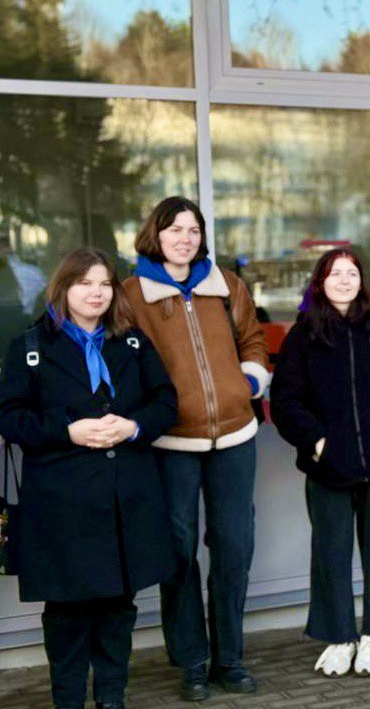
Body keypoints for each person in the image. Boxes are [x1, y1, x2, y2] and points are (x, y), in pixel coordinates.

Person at [0, 247, 177, 709]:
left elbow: (165, 401)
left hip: (124, 500)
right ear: (63, 288)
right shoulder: (29, 346)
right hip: (61, 507)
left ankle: (112, 698)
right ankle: (68, 700)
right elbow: (11, 418)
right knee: (68, 614)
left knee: (118, 608)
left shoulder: (131, 342)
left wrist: (133, 426)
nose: (96, 293)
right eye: (84, 283)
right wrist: (67, 430)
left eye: (104, 284)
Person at [121, 196, 270, 702]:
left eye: (193, 230)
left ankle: (230, 658)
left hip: (235, 435)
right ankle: (192, 660)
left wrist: (248, 383)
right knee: (179, 549)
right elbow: (124, 359)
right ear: (155, 234)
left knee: (234, 546)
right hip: (171, 440)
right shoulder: (131, 294)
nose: (184, 239)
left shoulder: (226, 285)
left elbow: (253, 339)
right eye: (174, 229)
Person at [270, 248, 370, 678]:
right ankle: (340, 637)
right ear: (320, 281)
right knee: (331, 553)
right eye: (335, 273)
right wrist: (318, 443)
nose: (344, 280)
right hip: (328, 468)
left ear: (362, 281)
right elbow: (285, 402)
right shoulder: (303, 335)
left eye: (351, 273)